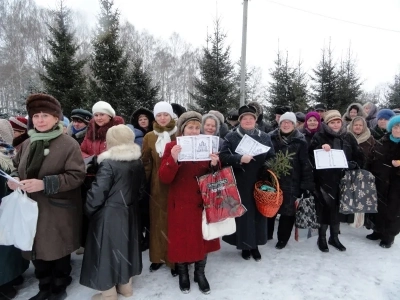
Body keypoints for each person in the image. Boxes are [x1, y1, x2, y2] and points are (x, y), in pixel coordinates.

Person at [7, 93, 85, 300]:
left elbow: (77, 176)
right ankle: (44, 285)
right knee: (36, 248)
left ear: (56, 118)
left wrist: (45, 183)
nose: (40, 120)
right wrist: (13, 179)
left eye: (45, 116)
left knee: (57, 249)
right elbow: (16, 168)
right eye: (36, 116)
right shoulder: (27, 143)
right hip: (29, 208)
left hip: (57, 209)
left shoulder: (69, 144)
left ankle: (59, 286)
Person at [80, 125, 145, 299]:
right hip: (130, 212)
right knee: (126, 248)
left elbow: (98, 192)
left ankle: (108, 295)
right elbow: (141, 190)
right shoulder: (137, 161)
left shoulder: (109, 163)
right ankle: (126, 287)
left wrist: (89, 209)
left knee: (105, 252)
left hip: (109, 215)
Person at [159, 111, 220, 294]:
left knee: (204, 237)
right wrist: (173, 159)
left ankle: (200, 273)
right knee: (182, 239)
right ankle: (183, 272)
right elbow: (164, 178)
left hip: (202, 201)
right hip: (182, 202)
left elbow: (215, 175)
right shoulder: (172, 146)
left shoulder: (206, 144)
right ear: (183, 129)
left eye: (196, 127)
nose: (194, 131)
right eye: (190, 127)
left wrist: (214, 163)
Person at [220, 105, 275, 261]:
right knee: (243, 214)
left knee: (258, 212)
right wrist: (238, 159)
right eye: (245, 118)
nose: (248, 121)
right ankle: (244, 244)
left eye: (251, 118)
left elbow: (272, 156)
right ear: (240, 121)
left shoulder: (264, 136)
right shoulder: (231, 137)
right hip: (239, 180)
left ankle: (255, 245)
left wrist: (267, 167)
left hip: (259, 179)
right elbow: (223, 156)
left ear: (255, 120)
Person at [309, 110, 364, 253]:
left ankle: (334, 237)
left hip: (343, 180)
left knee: (338, 210)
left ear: (342, 122)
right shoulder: (319, 136)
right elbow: (310, 156)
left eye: (338, 121)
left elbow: (359, 156)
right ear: (327, 123)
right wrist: (320, 148)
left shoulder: (348, 137)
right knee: (324, 209)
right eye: (332, 122)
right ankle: (321, 238)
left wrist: (354, 164)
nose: (335, 124)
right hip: (323, 180)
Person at [78, 101, 124, 255]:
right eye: (96, 115)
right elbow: (82, 150)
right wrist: (92, 159)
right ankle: (91, 243)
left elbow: (122, 150)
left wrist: (105, 158)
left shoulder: (117, 130)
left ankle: (109, 245)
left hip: (111, 177)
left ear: (110, 115)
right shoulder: (90, 131)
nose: (98, 118)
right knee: (92, 210)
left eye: (102, 114)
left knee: (108, 213)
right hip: (91, 176)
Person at [268, 112, 314, 249]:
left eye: (289, 122)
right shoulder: (270, 138)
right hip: (273, 179)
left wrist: (306, 185)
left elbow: (305, 164)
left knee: (288, 213)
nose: (286, 124)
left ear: (294, 125)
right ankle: (267, 233)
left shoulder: (300, 141)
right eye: (283, 122)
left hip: (292, 181)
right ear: (279, 123)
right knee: (270, 208)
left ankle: (282, 239)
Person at [141, 101, 177, 275]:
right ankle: (157, 257)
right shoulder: (149, 137)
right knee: (157, 223)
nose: (162, 118)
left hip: (176, 184)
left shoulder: (179, 134)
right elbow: (146, 162)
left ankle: (174, 259)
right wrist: (143, 183)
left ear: (171, 116)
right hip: (156, 186)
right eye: (159, 115)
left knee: (174, 223)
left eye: (166, 114)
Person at [0, 120, 29, 300]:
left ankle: (6, 281)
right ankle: (13, 275)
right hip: (10, 204)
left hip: (6, 203)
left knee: (6, 244)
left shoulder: (7, 155)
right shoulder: (11, 152)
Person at [366, 115, 400, 248]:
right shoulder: (382, 141)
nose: (398, 129)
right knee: (378, 206)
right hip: (380, 180)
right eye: (396, 127)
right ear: (391, 128)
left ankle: (389, 236)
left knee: (393, 209)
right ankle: (378, 230)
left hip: (397, 183)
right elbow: (372, 157)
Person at [347, 116, 375, 228]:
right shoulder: (345, 136)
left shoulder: (370, 139)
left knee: (361, 198)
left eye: (360, 125)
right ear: (352, 126)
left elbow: (373, 156)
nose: (358, 127)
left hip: (364, 172)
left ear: (364, 126)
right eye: (355, 125)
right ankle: (346, 218)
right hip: (348, 172)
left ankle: (360, 221)